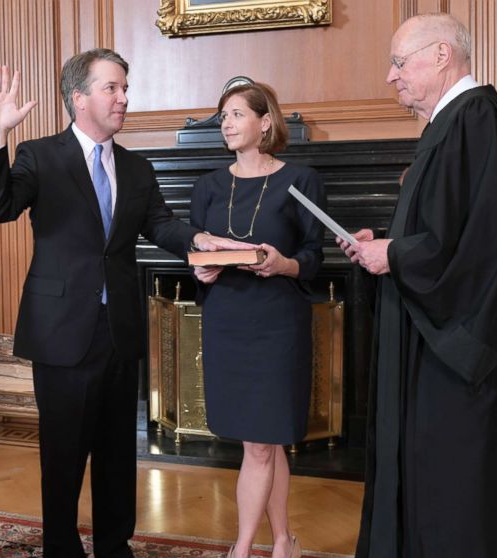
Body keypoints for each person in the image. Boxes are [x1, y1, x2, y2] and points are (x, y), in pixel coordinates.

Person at [0, 49, 251, 557]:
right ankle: (61, 545)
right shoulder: (40, 155)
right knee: (63, 453)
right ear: (79, 97)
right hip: (62, 329)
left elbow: (162, 224)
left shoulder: (136, 165)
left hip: (120, 327)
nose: (125, 97)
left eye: (126, 87)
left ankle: (113, 544)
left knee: (117, 450)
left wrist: (200, 244)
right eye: (113, 88)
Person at [338, 13, 497, 558]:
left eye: (399, 63)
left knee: (457, 487)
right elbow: (444, 229)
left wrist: (394, 253)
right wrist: (387, 242)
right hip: (433, 341)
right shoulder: (451, 125)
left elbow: (490, 247)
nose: (391, 78)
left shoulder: (481, 121)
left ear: (442, 55)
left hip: (463, 358)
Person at [190, 83, 324, 558]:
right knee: (265, 441)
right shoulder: (207, 186)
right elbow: (198, 256)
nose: (225, 123)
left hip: (277, 323)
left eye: (236, 114)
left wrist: (282, 263)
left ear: (265, 122)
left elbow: (314, 255)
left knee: (262, 445)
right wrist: (202, 270)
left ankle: (243, 549)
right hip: (227, 321)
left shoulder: (300, 179)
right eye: (222, 116)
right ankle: (284, 542)